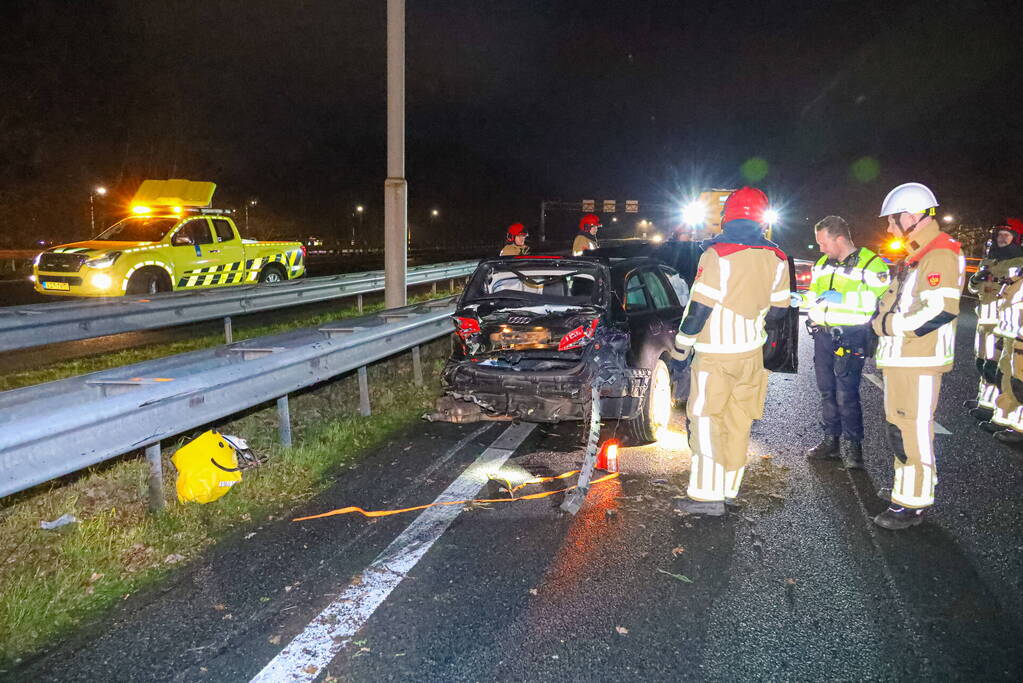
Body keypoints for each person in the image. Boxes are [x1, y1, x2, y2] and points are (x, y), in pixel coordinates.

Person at [670, 187, 791, 516]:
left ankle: (707, 497)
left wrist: (682, 346)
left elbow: (699, 309)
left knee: (707, 420)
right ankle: (729, 489)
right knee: (739, 422)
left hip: (715, 356)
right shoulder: (778, 259)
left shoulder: (717, 255)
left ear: (728, 217)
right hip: (751, 355)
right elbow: (780, 312)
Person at [871, 182, 964, 530]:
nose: (889, 228)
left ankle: (913, 503)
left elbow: (939, 311)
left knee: (913, 431)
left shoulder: (940, 253)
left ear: (911, 216)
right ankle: (906, 491)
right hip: (903, 358)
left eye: (893, 222)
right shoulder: (920, 254)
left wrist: (890, 324)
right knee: (901, 429)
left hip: (917, 359)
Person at [801, 216, 890, 469]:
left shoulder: (872, 264)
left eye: (823, 242)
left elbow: (884, 303)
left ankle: (853, 447)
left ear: (839, 239)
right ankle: (831, 441)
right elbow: (816, 295)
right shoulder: (822, 263)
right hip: (823, 335)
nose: (820, 248)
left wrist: (844, 298)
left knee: (846, 393)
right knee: (826, 390)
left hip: (851, 335)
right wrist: (802, 300)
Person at [965, 219, 1023, 426]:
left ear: (1015, 239)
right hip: (984, 321)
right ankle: (985, 403)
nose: (1002, 239)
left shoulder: (1019, 262)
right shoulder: (988, 261)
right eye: (999, 235)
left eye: (1007, 236)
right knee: (982, 364)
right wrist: (976, 279)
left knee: (997, 369)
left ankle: (999, 410)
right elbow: (973, 289)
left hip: (1001, 324)